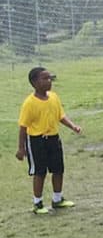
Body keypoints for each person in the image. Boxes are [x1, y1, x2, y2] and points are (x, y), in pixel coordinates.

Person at [16, 66, 81, 214]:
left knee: (58, 169)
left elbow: (61, 116)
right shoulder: (29, 103)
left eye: (50, 78)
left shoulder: (54, 97)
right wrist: (21, 148)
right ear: (34, 82)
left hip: (53, 138)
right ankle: (37, 203)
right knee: (40, 172)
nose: (49, 81)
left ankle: (57, 199)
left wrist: (73, 126)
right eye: (44, 78)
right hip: (36, 140)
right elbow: (23, 127)